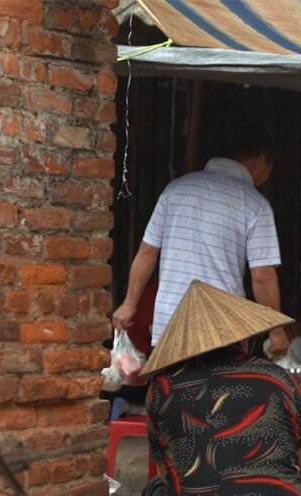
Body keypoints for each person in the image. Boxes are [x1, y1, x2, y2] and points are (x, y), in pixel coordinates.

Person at [140, 280, 301, 496]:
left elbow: (168, 475)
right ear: (242, 338)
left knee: (154, 489)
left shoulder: (160, 388)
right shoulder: (278, 378)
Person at [112, 124, 290, 357]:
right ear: (259, 161)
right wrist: (276, 330)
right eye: (269, 169)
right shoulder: (255, 205)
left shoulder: (175, 190)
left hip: (169, 326)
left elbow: (147, 253)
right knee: (217, 394)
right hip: (221, 331)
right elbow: (262, 276)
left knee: (174, 392)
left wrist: (129, 304)